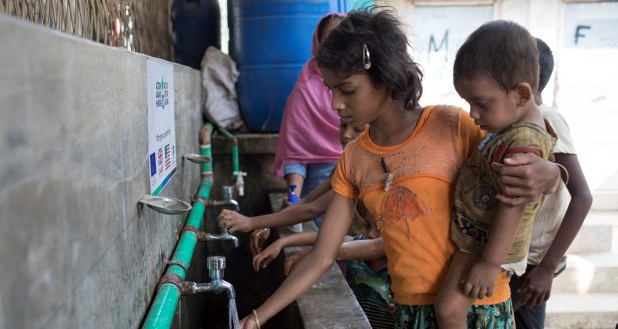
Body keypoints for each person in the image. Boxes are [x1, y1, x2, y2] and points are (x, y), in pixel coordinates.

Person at [239, 9, 562, 329]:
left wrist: (553, 174)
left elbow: (523, 157)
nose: (336, 103)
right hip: (410, 313)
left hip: (478, 306)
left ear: (386, 77)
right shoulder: (354, 159)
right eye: (331, 89)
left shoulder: (453, 125)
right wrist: (255, 319)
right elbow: (322, 257)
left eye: (348, 90)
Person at [434, 20, 555, 329]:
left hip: (487, 245)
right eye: (468, 102)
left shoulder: (525, 141)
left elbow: (512, 205)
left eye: (481, 103)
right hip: (479, 238)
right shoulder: (509, 124)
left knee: (449, 308)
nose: (473, 113)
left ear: (521, 94)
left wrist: (489, 264)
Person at [509, 38, 592, 329]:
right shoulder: (510, 123)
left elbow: (582, 196)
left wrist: (547, 268)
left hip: (532, 263)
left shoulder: (547, 118)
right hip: (515, 259)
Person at [220, 119, 369, 256]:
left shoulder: (364, 171)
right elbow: (306, 202)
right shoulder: (345, 164)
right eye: (343, 125)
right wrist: (267, 224)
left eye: (357, 129)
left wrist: (250, 222)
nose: (346, 134)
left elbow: (313, 209)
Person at [252, 206, 395, 329]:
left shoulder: (401, 270)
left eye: (379, 229)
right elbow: (324, 239)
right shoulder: (358, 245)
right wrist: (283, 242)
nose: (370, 234)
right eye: (368, 226)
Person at [274, 13, 345, 228]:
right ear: (318, 44)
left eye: (342, 40)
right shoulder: (306, 89)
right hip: (315, 194)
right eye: (329, 42)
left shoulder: (365, 85)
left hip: (356, 184)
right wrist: (294, 199)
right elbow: (296, 154)